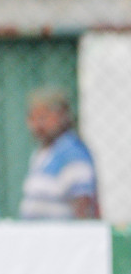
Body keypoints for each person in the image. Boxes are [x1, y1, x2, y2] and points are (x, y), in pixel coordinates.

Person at [19, 86, 99, 219]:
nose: (37, 125)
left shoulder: (72, 154)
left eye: (43, 118)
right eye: (33, 118)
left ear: (62, 116)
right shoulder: (44, 152)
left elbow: (84, 210)